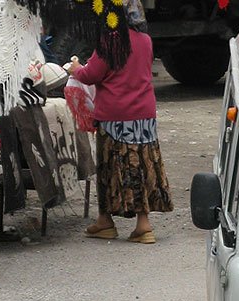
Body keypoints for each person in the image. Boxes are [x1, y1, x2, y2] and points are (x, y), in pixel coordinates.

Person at [67, 0, 171, 244]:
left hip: (115, 116)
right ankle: (143, 224)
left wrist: (75, 68)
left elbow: (91, 75)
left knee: (111, 169)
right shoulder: (145, 40)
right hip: (144, 115)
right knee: (142, 166)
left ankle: (105, 221)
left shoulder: (110, 40)